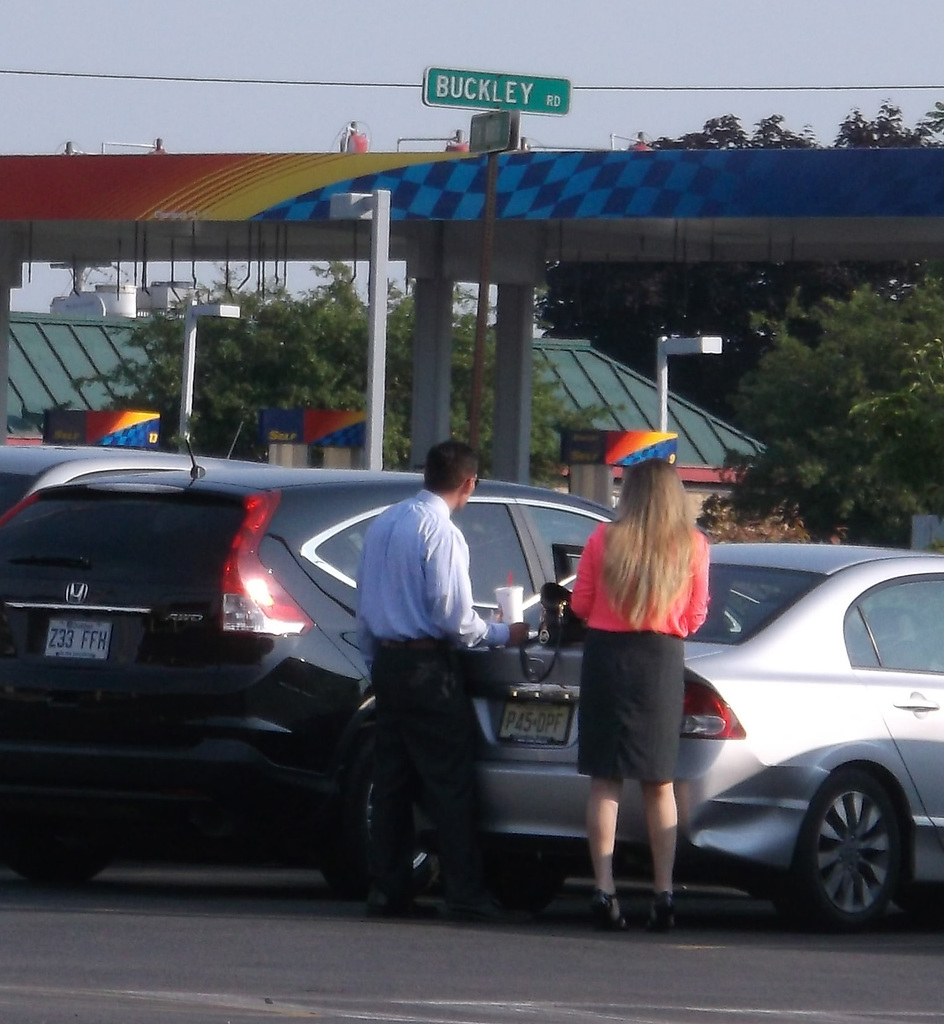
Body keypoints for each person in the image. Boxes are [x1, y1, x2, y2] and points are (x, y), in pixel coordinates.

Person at [355, 439, 530, 921]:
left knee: (391, 783)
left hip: (389, 663)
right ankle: (465, 892)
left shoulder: (384, 523)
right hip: (429, 666)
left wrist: (376, 666)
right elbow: (453, 617)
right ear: (469, 483)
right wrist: (502, 632)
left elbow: (366, 606)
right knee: (449, 783)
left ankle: (387, 888)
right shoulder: (443, 533)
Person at [570, 457, 709, 932]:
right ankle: (664, 891)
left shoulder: (602, 540)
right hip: (660, 659)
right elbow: (694, 618)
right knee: (659, 781)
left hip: (608, 658)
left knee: (605, 779)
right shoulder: (693, 546)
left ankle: (604, 887)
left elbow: (581, 605)